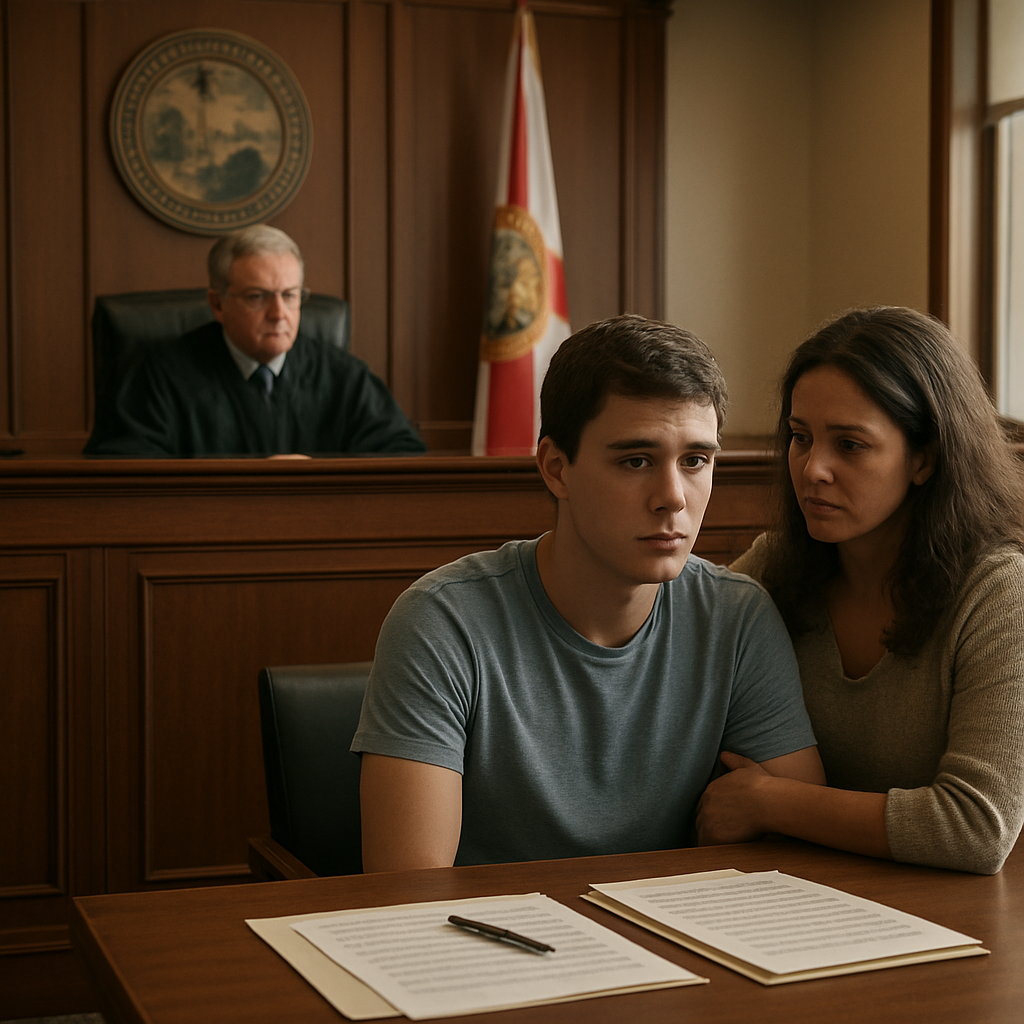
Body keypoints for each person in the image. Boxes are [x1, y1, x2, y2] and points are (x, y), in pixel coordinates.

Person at [352, 314, 824, 870]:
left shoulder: (739, 617)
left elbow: (801, 859)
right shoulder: (441, 621)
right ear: (556, 469)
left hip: (674, 943)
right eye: (635, 461)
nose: (673, 497)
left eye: (695, 460)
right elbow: (408, 891)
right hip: (494, 946)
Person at [698, 306, 1024, 875]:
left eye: (849, 445)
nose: (812, 468)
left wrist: (772, 802)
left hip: (960, 917)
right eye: (801, 438)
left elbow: (976, 827)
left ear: (923, 458)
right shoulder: (776, 563)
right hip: (806, 891)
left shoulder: (1000, 594)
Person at [85, 225, 426, 456]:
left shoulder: (344, 376)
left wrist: (317, 477)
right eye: (258, 296)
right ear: (217, 304)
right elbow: (122, 470)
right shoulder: (158, 374)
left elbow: (402, 458)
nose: (279, 313)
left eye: (290, 295)